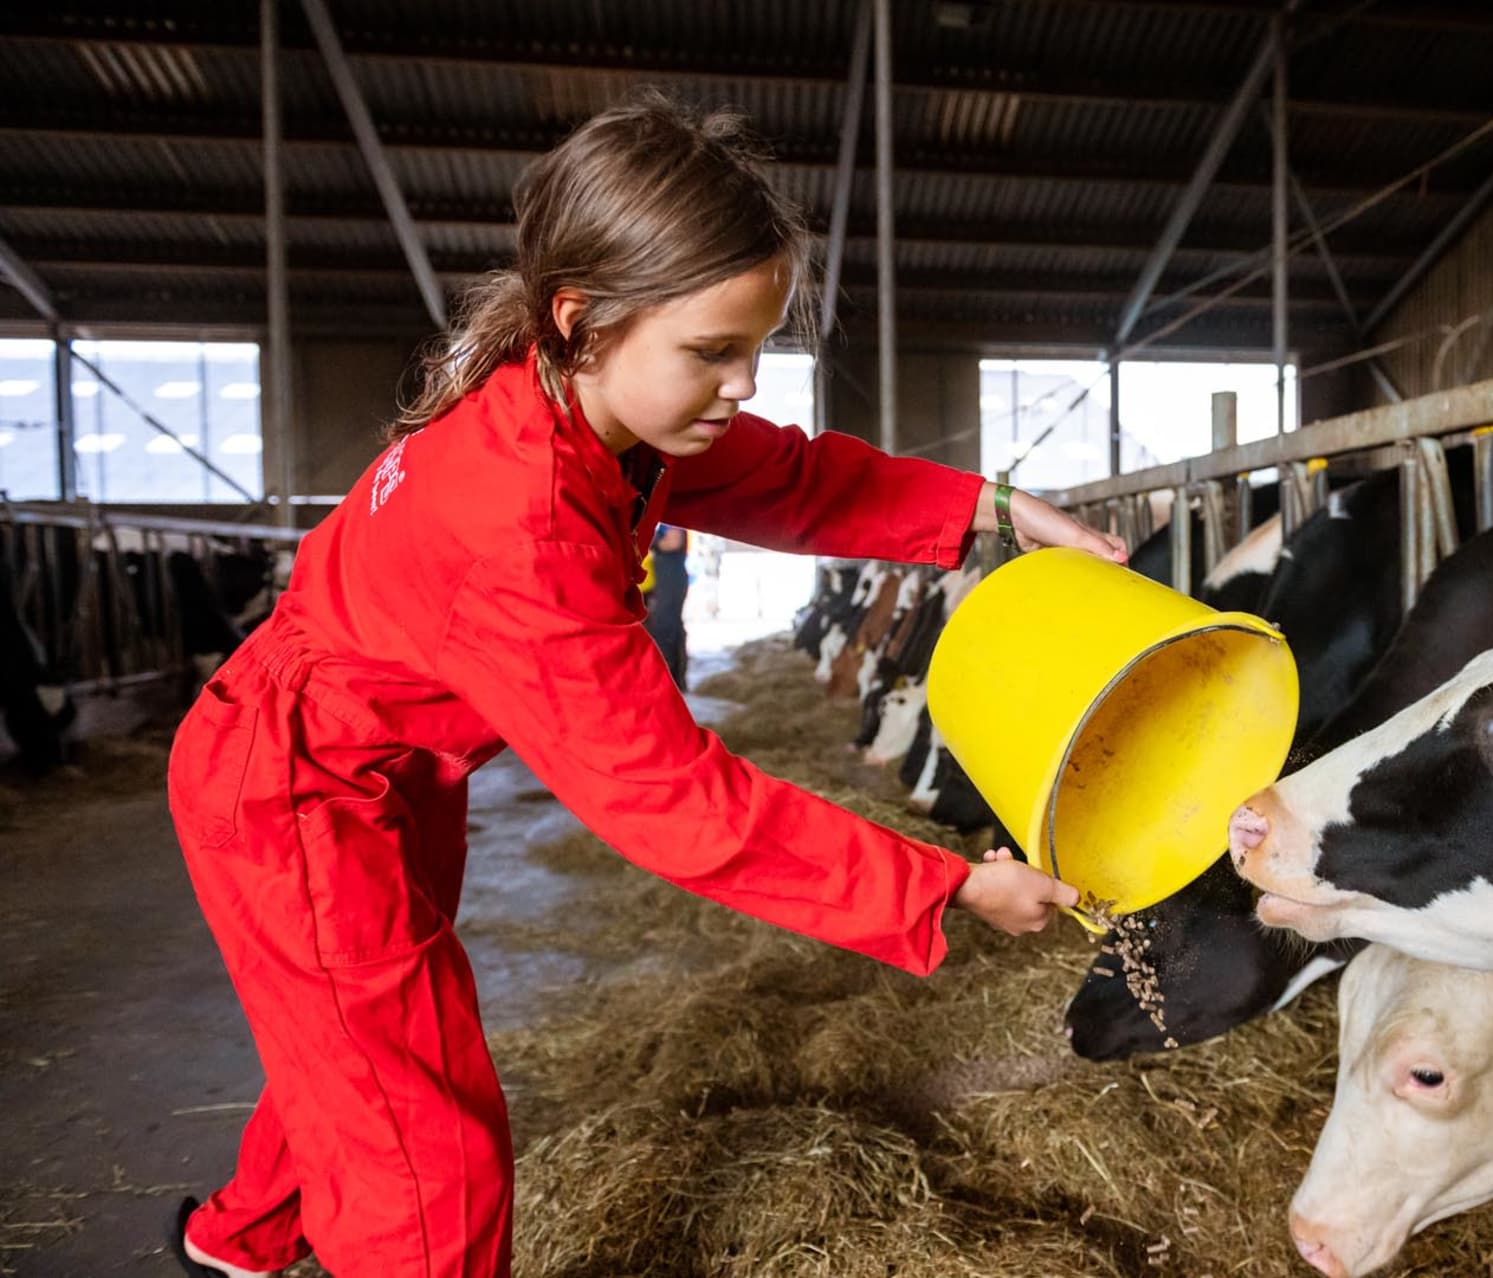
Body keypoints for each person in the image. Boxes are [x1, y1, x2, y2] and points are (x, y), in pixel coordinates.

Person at [164, 92, 1126, 1278]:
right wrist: (946, 888)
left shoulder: (583, 407)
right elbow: (679, 806)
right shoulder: (519, 522)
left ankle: (238, 1239)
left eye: (756, 349)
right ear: (582, 319)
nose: (740, 385)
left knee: (358, 1036)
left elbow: (796, 479)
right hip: (298, 785)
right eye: (712, 352)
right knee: (424, 1138)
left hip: (384, 763)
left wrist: (993, 511)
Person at [641, 522, 690, 689]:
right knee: (662, 626)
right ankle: (671, 679)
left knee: (667, 627)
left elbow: (672, 542)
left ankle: (673, 680)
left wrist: (645, 538)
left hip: (672, 578)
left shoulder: (671, 520)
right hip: (662, 579)